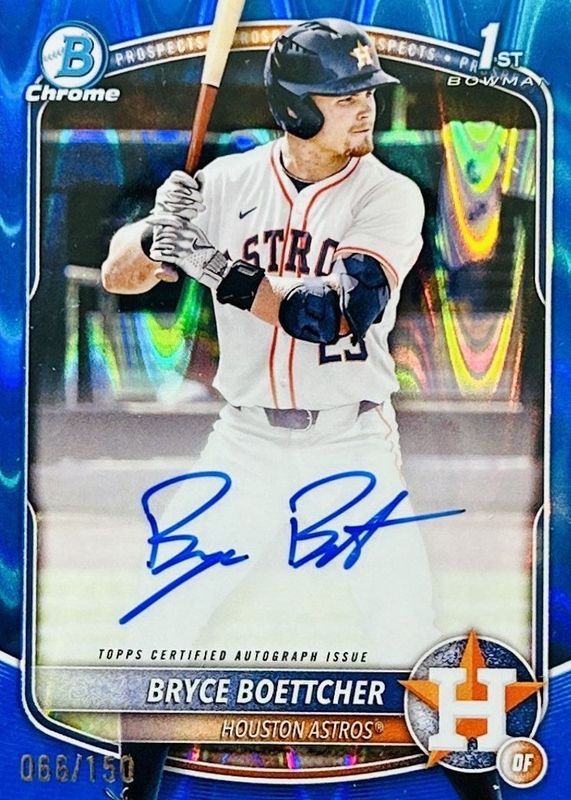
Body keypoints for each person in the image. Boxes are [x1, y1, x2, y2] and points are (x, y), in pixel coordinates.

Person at [102, 18, 502, 800]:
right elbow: (122, 276)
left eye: (367, 92)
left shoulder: (389, 195)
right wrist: (154, 234)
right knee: (159, 622)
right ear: (293, 108)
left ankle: (485, 794)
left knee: (406, 635)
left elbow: (334, 314)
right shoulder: (227, 183)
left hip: (349, 445)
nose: (365, 107)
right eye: (344, 95)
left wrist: (214, 266)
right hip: (244, 445)